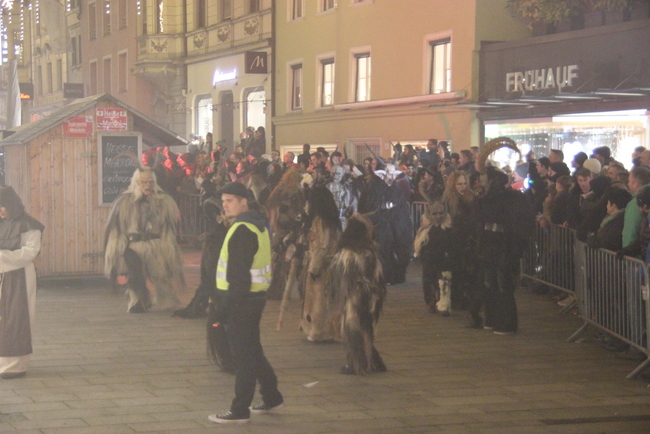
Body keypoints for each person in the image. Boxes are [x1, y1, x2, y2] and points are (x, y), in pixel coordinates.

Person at [209, 182, 283, 424]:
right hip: (254, 297)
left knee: (243, 358)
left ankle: (240, 409)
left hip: (240, 301)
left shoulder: (242, 229)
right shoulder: (257, 225)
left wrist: (223, 309)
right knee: (253, 350)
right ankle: (272, 396)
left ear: (244, 201)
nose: (225, 205)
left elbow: (238, 277)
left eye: (230, 200)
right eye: (223, 201)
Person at [104, 168, 185, 313]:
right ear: (136, 183)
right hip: (134, 245)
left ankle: (166, 300)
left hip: (156, 244)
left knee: (161, 275)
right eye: (144, 182)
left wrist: (170, 248)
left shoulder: (164, 201)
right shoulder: (124, 202)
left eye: (150, 182)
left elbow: (168, 228)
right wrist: (116, 249)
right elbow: (118, 228)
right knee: (135, 276)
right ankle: (137, 301)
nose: (148, 185)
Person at [327, 213, 387, 375]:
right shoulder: (370, 251)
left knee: (352, 329)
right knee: (366, 328)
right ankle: (371, 361)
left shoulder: (346, 254)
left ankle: (358, 364)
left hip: (353, 297)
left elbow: (341, 280)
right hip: (371, 296)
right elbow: (378, 278)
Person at [0, 187, 44, 379]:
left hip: (19, 277)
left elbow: (30, 252)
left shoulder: (28, 225)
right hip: (2, 275)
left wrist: (2, 256)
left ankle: (14, 366)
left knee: (17, 319)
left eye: (2, 206)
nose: (0, 211)